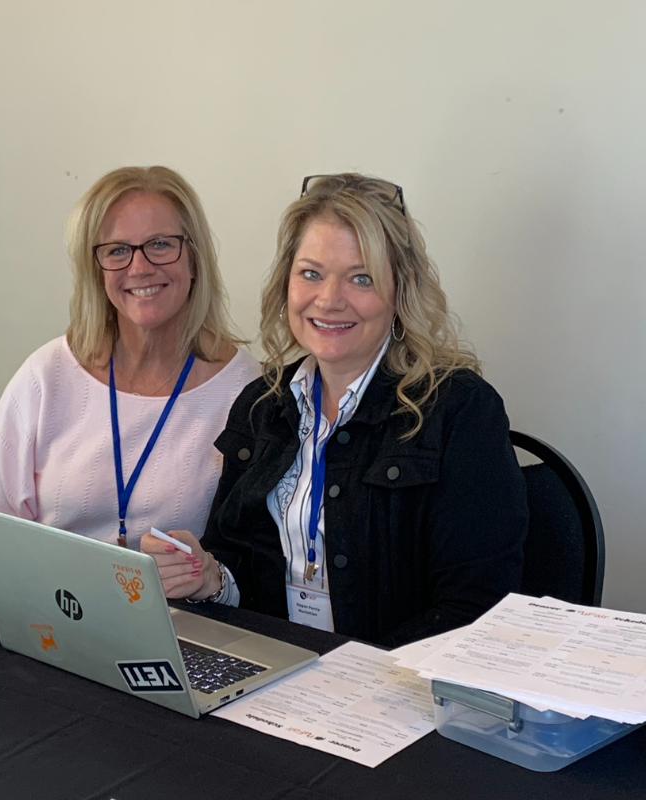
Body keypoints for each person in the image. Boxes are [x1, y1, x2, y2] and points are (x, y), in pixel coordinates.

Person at [141, 173, 528, 647]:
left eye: (361, 278)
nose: (328, 299)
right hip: (277, 668)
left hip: (395, 690)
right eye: (311, 273)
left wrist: (353, 678)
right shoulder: (262, 405)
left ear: (399, 291)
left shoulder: (460, 410)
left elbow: (476, 608)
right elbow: (241, 559)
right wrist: (210, 577)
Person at [0, 166, 261, 550]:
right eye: (118, 250)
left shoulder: (251, 393)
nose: (139, 268)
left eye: (159, 244)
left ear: (194, 256)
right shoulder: (47, 375)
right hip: (45, 607)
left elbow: (250, 561)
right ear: (96, 270)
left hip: (183, 610)